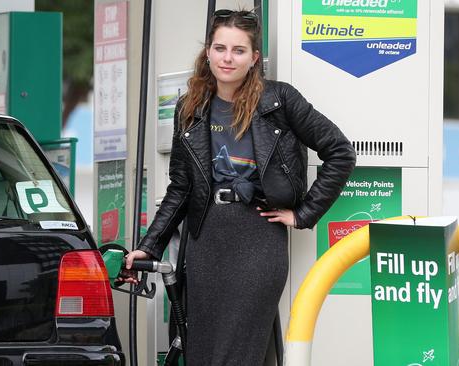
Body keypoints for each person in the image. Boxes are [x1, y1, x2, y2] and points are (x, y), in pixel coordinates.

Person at [124, 9, 356, 366]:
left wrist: (304, 214)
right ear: (208, 52)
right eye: (220, 48)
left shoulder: (280, 100)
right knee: (204, 352)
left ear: (254, 58)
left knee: (235, 350)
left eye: (238, 50)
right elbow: (181, 187)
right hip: (206, 242)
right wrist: (148, 245)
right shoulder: (191, 107)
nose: (227, 58)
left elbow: (340, 152)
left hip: (259, 241)